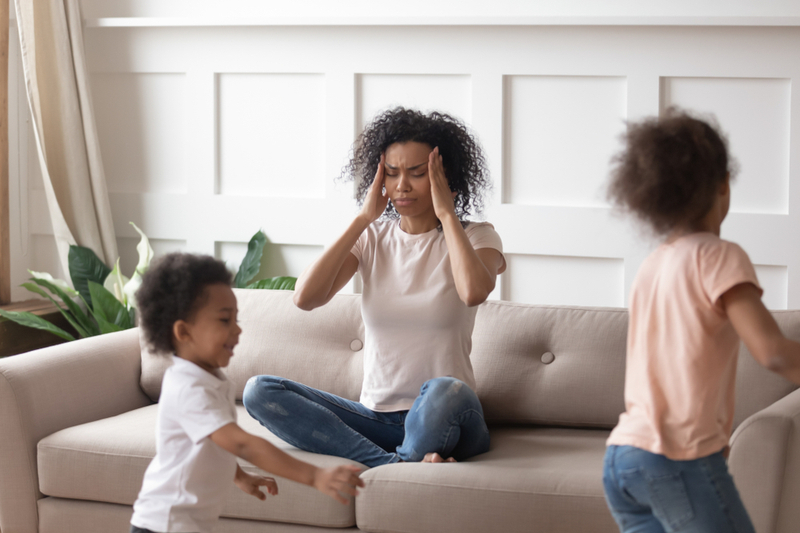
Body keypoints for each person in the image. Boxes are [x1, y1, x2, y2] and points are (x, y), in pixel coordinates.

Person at [243, 107, 506, 467]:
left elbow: (474, 291)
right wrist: (362, 218)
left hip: (449, 414)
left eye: (417, 173)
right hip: (378, 419)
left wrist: (447, 215)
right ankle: (396, 464)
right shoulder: (372, 238)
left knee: (446, 389)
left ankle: (396, 463)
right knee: (260, 391)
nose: (402, 186)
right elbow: (305, 297)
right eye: (392, 173)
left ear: (445, 176)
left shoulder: (477, 235)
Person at [602, 109, 800, 532]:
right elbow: (773, 352)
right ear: (723, 184)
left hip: (623, 459)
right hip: (677, 459)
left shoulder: (654, 265)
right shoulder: (719, 256)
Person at [130, 253, 364, 533]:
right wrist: (315, 475)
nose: (238, 329)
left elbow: (211, 444)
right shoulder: (189, 388)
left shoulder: (209, 377)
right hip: (165, 524)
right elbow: (241, 443)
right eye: (224, 320)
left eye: (236, 318)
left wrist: (238, 475)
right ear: (184, 332)